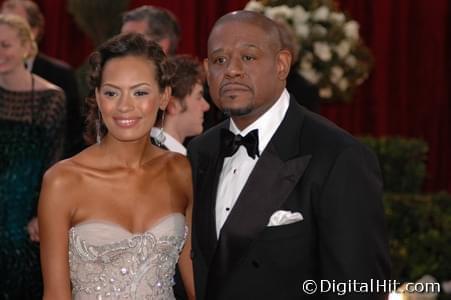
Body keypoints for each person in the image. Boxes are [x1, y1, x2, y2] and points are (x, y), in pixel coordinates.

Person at [188, 11, 391, 300]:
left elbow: (360, 288)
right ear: (207, 71)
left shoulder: (338, 156)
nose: (231, 70)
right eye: (220, 60)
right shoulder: (199, 152)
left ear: (282, 64)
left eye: (248, 57)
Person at [38, 33, 194, 300]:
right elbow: (55, 294)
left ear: (164, 97)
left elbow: (195, 283)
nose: (124, 106)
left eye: (140, 92)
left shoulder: (181, 171)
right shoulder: (63, 181)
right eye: (112, 92)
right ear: (98, 98)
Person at [0, 13, 66, 299]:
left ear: (27, 47)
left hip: (23, 221)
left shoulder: (50, 99)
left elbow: (53, 163)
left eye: (5, 45)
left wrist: (42, 215)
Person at [2, 0, 84, 158]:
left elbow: (72, 138)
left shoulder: (58, 80)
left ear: (31, 34)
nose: (4, 27)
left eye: (14, 23)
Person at [152, 55, 210, 154]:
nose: (206, 107)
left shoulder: (151, 151)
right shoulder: (163, 161)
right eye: (198, 97)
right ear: (173, 105)